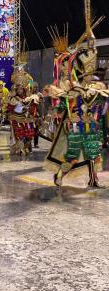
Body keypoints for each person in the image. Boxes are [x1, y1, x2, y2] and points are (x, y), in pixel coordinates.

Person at [45, 0, 109, 187]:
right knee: (72, 156)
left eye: (92, 74)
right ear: (81, 74)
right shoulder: (74, 89)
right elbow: (60, 95)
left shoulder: (98, 89)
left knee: (94, 155)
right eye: (87, 75)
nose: (90, 78)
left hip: (93, 127)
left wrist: (91, 39)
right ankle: (59, 175)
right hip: (76, 127)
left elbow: (103, 100)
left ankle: (93, 180)